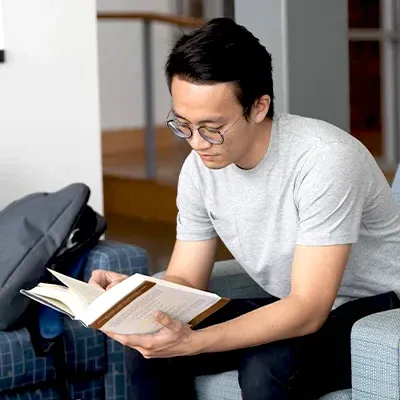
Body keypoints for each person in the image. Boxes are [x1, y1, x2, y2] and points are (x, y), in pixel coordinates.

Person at [89, 18, 400, 399]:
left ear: (258, 107)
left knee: (265, 368)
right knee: (149, 343)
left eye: (212, 127)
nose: (197, 143)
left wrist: (194, 342)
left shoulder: (325, 161)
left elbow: (308, 308)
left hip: (378, 308)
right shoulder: (200, 169)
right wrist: (138, 293)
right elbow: (187, 278)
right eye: (182, 125)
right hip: (297, 303)